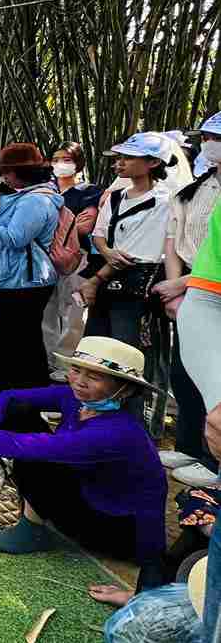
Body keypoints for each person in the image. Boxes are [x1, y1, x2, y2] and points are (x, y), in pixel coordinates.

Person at [0, 337, 167, 595]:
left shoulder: (121, 431)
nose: (79, 381)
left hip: (118, 531)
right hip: (88, 495)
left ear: (125, 390)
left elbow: (50, 447)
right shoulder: (76, 400)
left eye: (94, 377)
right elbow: (8, 397)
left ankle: (31, 531)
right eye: (76, 370)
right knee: (19, 414)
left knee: (37, 455)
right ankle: (30, 516)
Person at [77, 133, 173, 405]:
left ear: (153, 162)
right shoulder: (116, 197)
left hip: (133, 289)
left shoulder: (163, 201)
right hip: (107, 282)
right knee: (94, 351)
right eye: (119, 158)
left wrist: (95, 280)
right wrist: (106, 251)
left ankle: (132, 417)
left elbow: (136, 254)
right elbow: (99, 234)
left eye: (129, 158)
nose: (119, 163)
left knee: (126, 358)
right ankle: (94, 411)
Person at [156, 111, 221, 487]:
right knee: (185, 373)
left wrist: (181, 286)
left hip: (202, 287)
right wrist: (175, 285)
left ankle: (212, 461)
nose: (209, 144)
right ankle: (190, 445)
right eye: (208, 137)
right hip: (194, 288)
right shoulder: (194, 190)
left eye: (217, 138)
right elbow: (174, 239)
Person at [0, 143, 62, 397]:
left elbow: (15, 238)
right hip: (18, 279)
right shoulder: (28, 197)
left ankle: (28, 397)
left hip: (27, 281)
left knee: (23, 342)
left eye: (7, 172)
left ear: (22, 172)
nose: (4, 177)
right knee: (18, 340)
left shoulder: (35, 200)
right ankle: (16, 396)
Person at [42, 141, 102, 375]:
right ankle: (48, 359)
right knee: (46, 311)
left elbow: (85, 227)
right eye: (55, 159)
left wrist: (56, 229)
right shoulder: (45, 191)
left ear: (78, 163)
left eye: (66, 160)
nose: (60, 164)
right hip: (44, 259)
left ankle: (67, 363)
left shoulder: (89, 192)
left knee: (73, 312)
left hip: (77, 258)